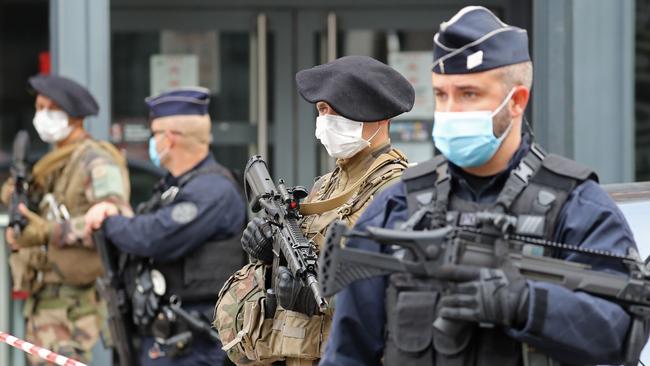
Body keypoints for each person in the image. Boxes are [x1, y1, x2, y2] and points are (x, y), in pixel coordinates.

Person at [320, 6, 647, 366]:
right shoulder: (399, 206)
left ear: (517, 101)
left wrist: (527, 304)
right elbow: (347, 352)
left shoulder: (576, 207)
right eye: (442, 95)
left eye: (469, 94)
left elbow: (621, 334)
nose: (451, 109)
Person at [214, 55, 414, 365]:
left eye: (338, 110)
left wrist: (328, 298)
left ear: (377, 115)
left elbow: (405, 294)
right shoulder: (325, 186)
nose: (327, 120)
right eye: (322, 110)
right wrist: (269, 253)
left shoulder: (400, 191)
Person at [84, 87, 246, 365]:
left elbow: (155, 236)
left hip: (196, 344)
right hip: (170, 340)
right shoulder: (176, 187)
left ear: (170, 139)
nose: (153, 142)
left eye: (155, 134)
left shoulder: (213, 190)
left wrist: (110, 222)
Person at [1, 74, 131, 365]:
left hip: (74, 303)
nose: (41, 116)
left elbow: (115, 219)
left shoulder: (95, 161)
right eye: (38, 107)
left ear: (73, 115)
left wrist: (47, 231)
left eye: (49, 108)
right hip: (47, 295)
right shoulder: (60, 162)